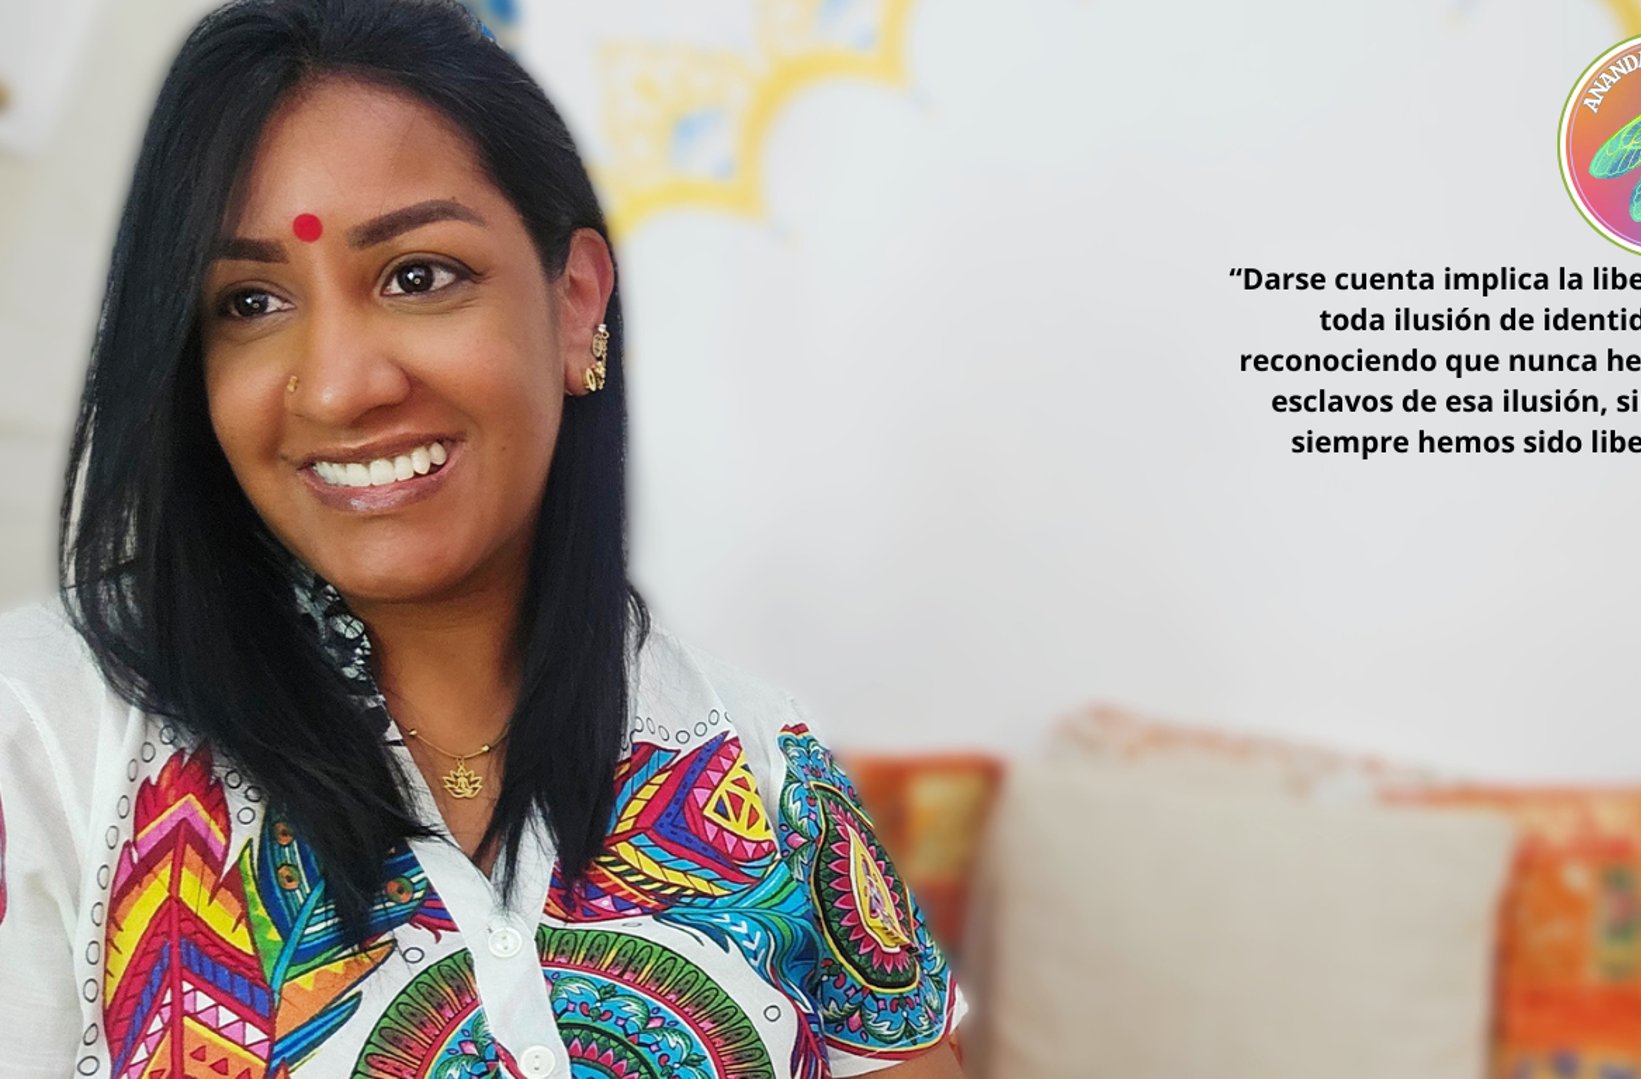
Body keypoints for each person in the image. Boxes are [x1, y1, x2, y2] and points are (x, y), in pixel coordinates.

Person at [0, 1, 968, 1075]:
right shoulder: (38, 743)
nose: (339, 383)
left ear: (576, 304)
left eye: (418, 275)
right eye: (252, 299)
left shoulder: (759, 758)